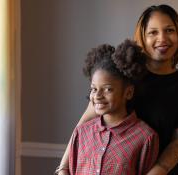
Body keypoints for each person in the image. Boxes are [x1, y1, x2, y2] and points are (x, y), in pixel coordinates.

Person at [56, 4, 178, 175]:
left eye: (169, 30)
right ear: (142, 37)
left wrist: (155, 172)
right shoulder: (125, 73)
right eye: (153, 32)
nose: (162, 38)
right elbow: (84, 125)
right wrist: (63, 168)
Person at [59, 40, 159, 175]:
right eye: (94, 89)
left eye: (107, 89)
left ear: (128, 92)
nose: (98, 96)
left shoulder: (145, 138)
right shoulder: (81, 133)